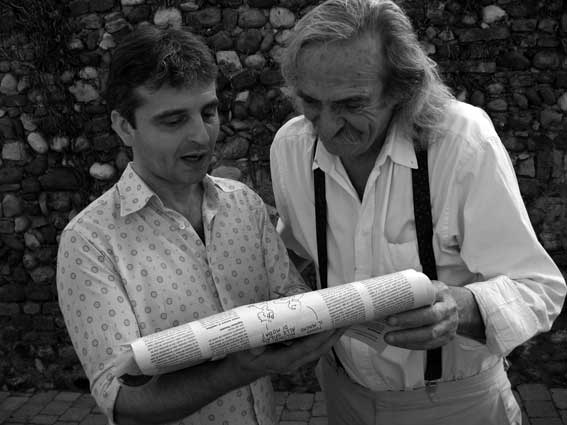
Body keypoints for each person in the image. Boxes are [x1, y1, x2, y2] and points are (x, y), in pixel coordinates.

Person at [270, 0, 567, 424]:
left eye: (352, 104)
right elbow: (296, 250)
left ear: (401, 88)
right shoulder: (291, 146)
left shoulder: (462, 142)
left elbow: (540, 289)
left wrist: (459, 308)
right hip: (341, 395)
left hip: (454, 406)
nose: (328, 127)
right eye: (311, 103)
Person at [56, 25, 342, 425]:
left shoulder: (243, 203)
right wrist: (241, 368)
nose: (200, 135)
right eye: (173, 121)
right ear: (124, 127)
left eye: (208, 113)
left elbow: (288, 294)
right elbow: (121, 401)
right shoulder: (90, 241)